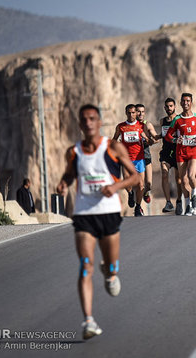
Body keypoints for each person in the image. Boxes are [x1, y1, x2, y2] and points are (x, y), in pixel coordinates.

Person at [56, 104, 139, 340]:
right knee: (85, 265)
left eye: (93, 118)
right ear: (80, 124)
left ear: (99, 122)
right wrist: (64, 183)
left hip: (109, 213)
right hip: (84, 215)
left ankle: (110, 272)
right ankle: (88, 321)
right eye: (84, 120)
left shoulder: (113, 147)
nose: (89, 123)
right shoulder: (74, 152)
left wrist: (115, 186)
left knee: (111, 269)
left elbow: (134, 176)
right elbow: (70, 173)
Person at [165, 93, 196, 216]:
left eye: (188, 101)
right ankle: (188, 205)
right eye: (183, 101)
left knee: (191, 176)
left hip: (193, 150)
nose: (186, 103)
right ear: (181, 103)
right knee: (183, 180)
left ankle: (194, 192)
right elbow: (168, 135)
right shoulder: (177, 119)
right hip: (181, 152)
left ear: (191, 102)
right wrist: (174, 140)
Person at [112, 104, 151, 217]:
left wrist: (148, 139)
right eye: (129, 113)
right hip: (126, 159)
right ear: (126, 113)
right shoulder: (121, 127)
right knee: (127, 181)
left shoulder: (140, 125)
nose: (131, 115)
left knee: (141, 185)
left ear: (136, 113)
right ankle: (130, 193)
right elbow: (114, 140)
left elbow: (146, 138)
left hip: (139, 159)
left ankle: (138, 207)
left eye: (133, 112)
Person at [157, 98, 181, 214]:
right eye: (167, 106)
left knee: (178, 179)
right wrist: (154, 138)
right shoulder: (162, 121)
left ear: (175, 107)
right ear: (164, 108)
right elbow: (162, 134)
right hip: (166, 151)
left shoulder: (179, 119)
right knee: (164, 174)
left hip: (177, 151)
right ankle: (168, 202)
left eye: (171, 106)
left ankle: (179, 200)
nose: (169, 108)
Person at [135, 104, 159, 206]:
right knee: (138, 184)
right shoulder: (130, 126)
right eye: (138, 111)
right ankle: (137, 204)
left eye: (142, 111)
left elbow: (156, 139)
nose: (140, 114)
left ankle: (146, 192)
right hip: (134, 157)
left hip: (146, 156)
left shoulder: (147, 125)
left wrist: (149, 140)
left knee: (148, 184)